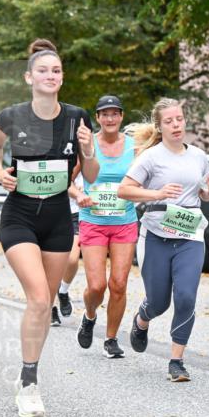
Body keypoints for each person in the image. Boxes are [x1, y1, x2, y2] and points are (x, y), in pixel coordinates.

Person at [0, 38, 98, 417]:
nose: (51, 76)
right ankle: (30, 385)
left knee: (45, 302)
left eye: (57, 71)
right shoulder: (11, 115)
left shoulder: (78, 118)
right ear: (29, 76)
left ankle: (26, 372)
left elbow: (92, 174)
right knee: (36, 298)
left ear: (62, 78)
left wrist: (88, 150)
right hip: (19, 216)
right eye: (44, 70)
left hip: (56, 217)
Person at [117, 97, 209, 382]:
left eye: (179, 119)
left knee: (186, 297)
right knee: (159, 302)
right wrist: (157, 194)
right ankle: (142, 319)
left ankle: (176, 361)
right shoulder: (151, 157)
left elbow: (202, 193)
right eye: (169, 121)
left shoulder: (198, 156)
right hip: (156, 235)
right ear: (159, 126)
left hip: (190, 235)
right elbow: (124, 191)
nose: (176, 125)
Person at [73, 95, 139, 359]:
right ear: (98, 118)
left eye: (114, 114)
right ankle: (89, 316)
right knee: (97, 285)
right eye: (104, 114)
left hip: (124, 222)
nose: (110, 119)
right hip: (93, 221)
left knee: (119, 283)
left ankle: (111, 339)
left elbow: (147, 176)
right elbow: (67, 181)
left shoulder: (135, 147)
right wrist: (78, 195)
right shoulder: (88, 146)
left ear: (121, 117)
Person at [54, 170, 84, 325]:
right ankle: (51, 308)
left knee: (72, 259)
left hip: (76, 213)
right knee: (50, 261)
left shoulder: (86, 155)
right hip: (52, 211)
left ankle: (63, 291)